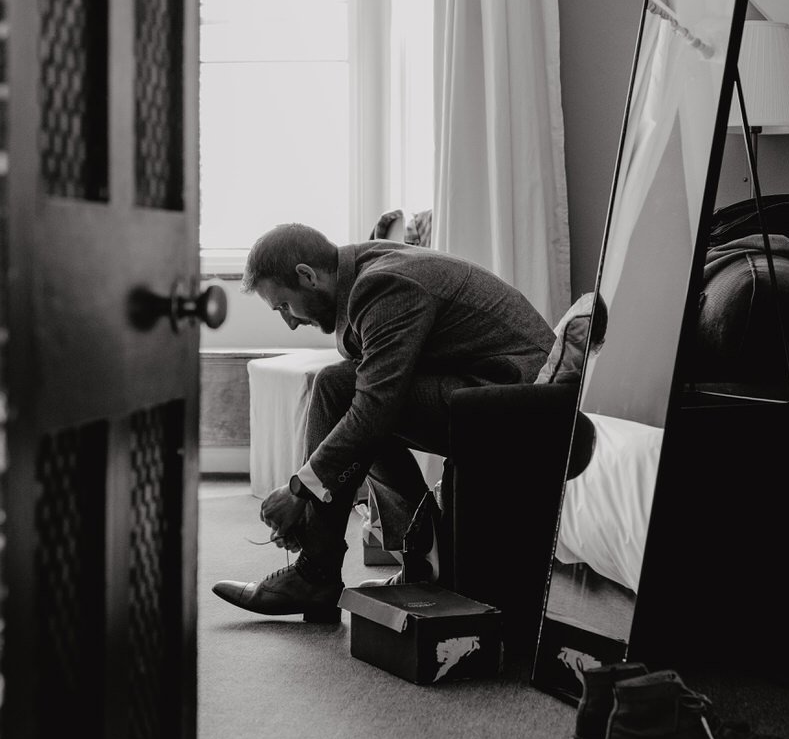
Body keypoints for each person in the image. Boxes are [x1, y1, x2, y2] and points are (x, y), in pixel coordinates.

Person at [212, 222, 555, 621]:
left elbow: (373, 408)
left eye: (284, 305)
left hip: (521, 407)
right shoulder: (366, 274)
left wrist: (300, 491)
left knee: (343, 392)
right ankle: (415, 560)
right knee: (350, 394)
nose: (289, 321)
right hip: (490, 394)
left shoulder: (384, 284)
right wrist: (309, 494)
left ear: (307, 275)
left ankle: (317, 573)